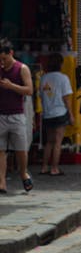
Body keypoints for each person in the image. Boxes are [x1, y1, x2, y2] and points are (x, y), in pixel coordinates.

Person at [0, 38, 34, 193]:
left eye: (4, 59)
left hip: (17, 115)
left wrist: (11, 86)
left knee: (21, 150)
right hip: (1, 115)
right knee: (1, 150)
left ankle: (23, 173)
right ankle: (2, 182)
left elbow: (29, 90)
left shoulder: (22, 68)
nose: (2, 62)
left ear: (10, 53)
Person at [39, 52, 74, 177]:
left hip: (47, 114)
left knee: (49, 142)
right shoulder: (63, 78)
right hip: (60, 112)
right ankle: (54, 168)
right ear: (61, 64)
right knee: (58, 142)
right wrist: (71, 114)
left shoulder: (44, 78)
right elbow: (66, 98)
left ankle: (44, 167)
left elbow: (42, 96)